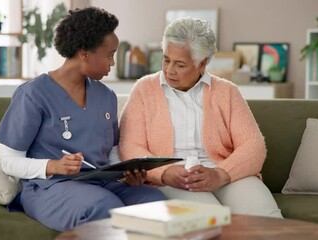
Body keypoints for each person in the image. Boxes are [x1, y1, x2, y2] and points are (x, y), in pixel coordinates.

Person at [0, 7, 166, 231]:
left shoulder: (106, 96)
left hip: (101, 183)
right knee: (103, 206)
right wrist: (53, 165)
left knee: (154, 202)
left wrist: (127, 174)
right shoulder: (34, 94)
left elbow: (110, 154)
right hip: (50, 186)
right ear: (84, 53)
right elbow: (8, 162)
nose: (112, 64)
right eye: (109, 55)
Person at [118, 17, 282, 218]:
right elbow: (129, 146)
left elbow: (254, 145)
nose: (169, 71)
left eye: (180, 65)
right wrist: (164, 172)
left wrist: (220, 174)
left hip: (226, 173)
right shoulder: (144, 89)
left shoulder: (227, 91)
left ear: (203, 63)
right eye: (166, 59)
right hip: (174, 178)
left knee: (266, 218)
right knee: (209, 220)